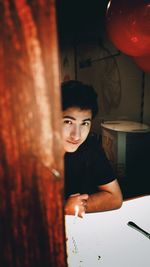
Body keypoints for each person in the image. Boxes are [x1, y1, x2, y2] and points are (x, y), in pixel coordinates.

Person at [61, 80, 123, 217]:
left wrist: (76, 207)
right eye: (68, 122)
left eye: (85, 123)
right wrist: (61, 209)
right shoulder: (34, 152)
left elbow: (115, 198)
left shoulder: (90, 146)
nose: (76, 135)